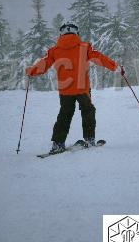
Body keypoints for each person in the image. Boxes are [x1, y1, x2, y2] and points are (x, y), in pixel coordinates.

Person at [26, 22, 123, 154]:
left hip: (65, 90)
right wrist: (116, 67)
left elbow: (44, 64)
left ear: (61, 34)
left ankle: (58, 143)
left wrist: (31, 71)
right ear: (76, 33)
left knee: (64, 114)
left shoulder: (54, 51)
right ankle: (89, 139)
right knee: (88, 111)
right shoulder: (85, 47)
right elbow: (99, 58)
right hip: (82, 88)